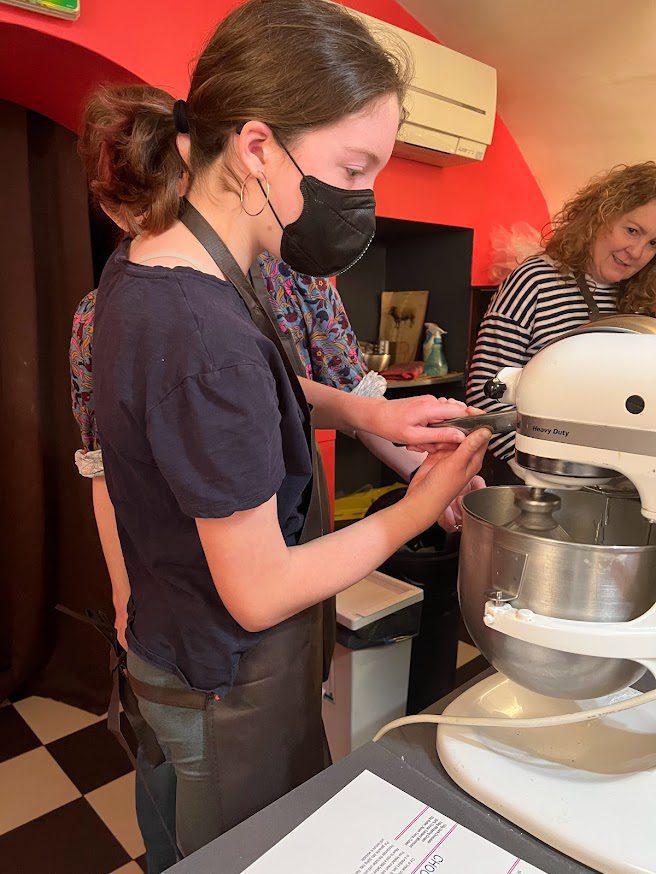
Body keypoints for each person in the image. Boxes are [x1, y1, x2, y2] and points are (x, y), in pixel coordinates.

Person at [78, 0, 490, 859]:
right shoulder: (203, 333)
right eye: (352, 166)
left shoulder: (163, 264)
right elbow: (258, 591)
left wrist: (363, 408)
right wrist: (416, 509)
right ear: (258, 147)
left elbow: (253, 390)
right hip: (226, 682)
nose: (360, 197)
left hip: (178, 654)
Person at [468, 161, 656, 477]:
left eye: (653, 243)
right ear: (600, 217)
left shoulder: (641, 304)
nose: (637, 252)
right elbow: (485, 394)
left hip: (606, 475)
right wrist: (540, 474)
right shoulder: (535, 279)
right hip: (527, 474)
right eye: (632, 230)